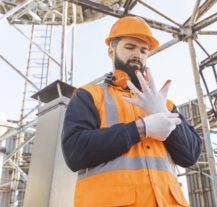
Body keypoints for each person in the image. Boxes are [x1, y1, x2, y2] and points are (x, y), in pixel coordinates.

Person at [61, 16, 202, 207]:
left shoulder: (164, 104)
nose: (138, 54)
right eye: (130, 47)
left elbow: (190, 155)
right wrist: (141, 128)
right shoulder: (90, 96)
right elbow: (75, 152)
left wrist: (162, 112)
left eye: (144, 50)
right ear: (111, 51)